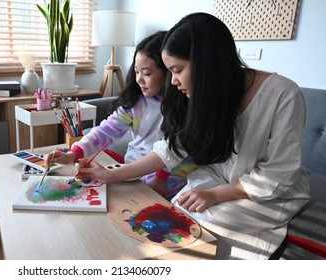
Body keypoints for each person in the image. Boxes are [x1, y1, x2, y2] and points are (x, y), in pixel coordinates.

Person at [78, 13, 310, 259]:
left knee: (198, 223)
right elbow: (170, 150)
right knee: (175, 211)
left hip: (264, 189)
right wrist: (111, 175)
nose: (174, 82)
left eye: (177, 70)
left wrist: (216, 195)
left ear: (206, 62)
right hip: (216, 177)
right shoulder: (204, 92)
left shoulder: (283, 94)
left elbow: (278, 174)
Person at [47, 31, 196, 200]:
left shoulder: (185, 107)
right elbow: (105, 131)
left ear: (169, 72)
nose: (139, 79)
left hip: (167, 180)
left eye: (147, 73)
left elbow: (180, 154)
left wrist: (160, 178)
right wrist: (74, 153)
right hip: (131, 172)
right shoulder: (136, 103)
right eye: (136, 71)